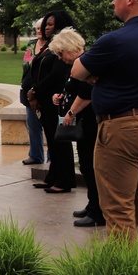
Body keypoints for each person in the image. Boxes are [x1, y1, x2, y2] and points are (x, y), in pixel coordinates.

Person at [71, 0, 138, 254]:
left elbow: (77, 71)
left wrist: (97, 79)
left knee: (118, 207)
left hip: (124, 128)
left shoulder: (114, 39)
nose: (112, 2)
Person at [49, 28, 105, 228]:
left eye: (60, 53)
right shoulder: (77, 64)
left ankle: (98, 212)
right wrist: (61, 96)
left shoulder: (86, 63)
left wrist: (70, 113)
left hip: (89, 122)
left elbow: (87, 93)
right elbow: (74, 88)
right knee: (86, 164)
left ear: (70, 48)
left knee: (91, 166)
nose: (60, 57)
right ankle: (92, 205)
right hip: (83, 122)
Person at [26, 10, 76, 193]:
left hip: (57, 101)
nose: (46, 27)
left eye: (51, 24)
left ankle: (64, 180)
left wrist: (34, 90)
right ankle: (53, 176)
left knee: (60, 140)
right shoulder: (49, 47)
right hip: (45, 102)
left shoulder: (64, 47)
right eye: (46, 23)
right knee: (52, 142)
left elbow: (56, 75)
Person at [20, 18, 47, 165]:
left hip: (44, 90)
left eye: (41, 28)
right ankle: (35, 154)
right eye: (36, 28)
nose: (38, 31)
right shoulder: (31, 44)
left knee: (49, 126)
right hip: (28, 88)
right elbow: (26, 65)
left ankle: (52, 157)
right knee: (32, 124)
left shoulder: (52, 45)